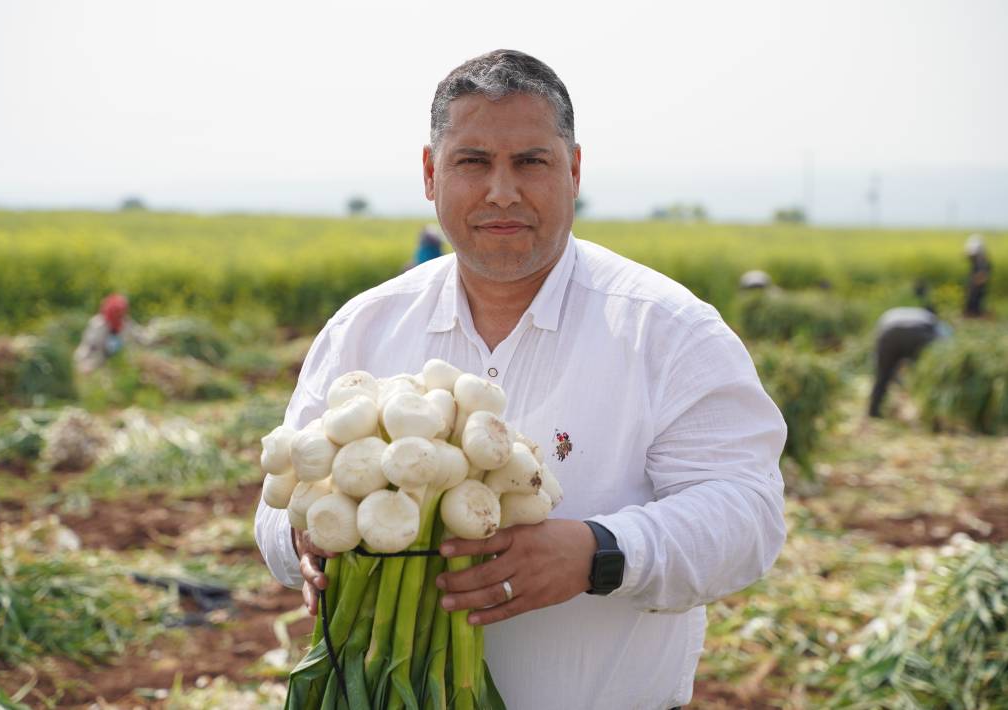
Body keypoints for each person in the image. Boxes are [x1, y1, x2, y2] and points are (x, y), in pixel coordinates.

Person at [255, 49, 787, 709]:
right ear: (430, 173)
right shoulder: (365, 327)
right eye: (472, 162)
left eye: (530, 162)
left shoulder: (668, 331)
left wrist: (597, 553)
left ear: (574, 170)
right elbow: (278, 501)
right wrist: (302, 539)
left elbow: (746, 516)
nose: (501, 191)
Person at [868, 284, 950, 418]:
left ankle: (873, 411)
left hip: (889, 333)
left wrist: (891, 373)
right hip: (918, 334)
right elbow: (944, 340)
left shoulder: (893, 313)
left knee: (882, 375)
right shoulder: (932, 318)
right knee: (925, 373)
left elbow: (878, 344)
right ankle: (929, 413)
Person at [73, 293, 133, 373]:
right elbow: (89, 347)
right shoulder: (97, 324)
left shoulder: (126, 323)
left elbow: (141, 337)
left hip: (116, 363)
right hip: (92, 359)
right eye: (116, 311)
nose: (119, 314)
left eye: (121, 312)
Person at [963, 233, 992, 317]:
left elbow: (982, 275)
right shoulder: (978, 260)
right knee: (973, 298)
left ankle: (974, 314)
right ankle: (972, 313)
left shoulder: (982, 262)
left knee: (976, 297)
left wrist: (975, 283)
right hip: (976, 285)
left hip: (977, 287)